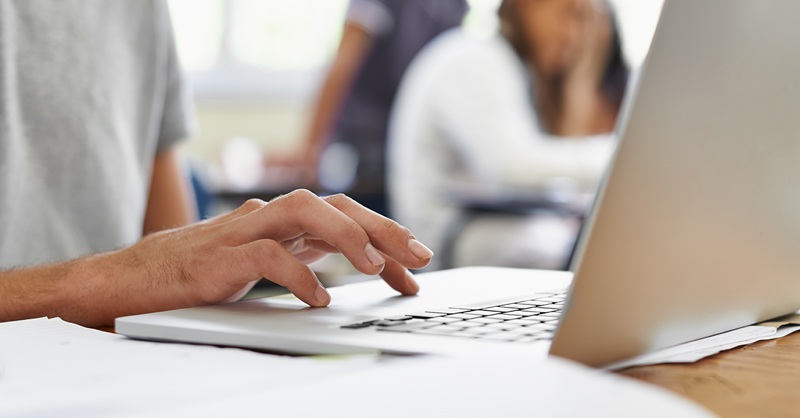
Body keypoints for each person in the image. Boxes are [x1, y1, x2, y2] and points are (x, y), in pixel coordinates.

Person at [0, 1, 433, 328]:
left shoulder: (140, 10)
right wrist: (112, 282)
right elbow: (151, 271)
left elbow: (171, 259)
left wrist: (208, 268)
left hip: (123, 362)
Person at [388, 0, 628, 270]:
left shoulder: (516, 70)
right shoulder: (474, 58)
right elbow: (513, 167)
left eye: (583, 23)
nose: (573, 35)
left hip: (491, 228)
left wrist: (580, 80)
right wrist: (622, 157)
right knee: (609, 257)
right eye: (567, 15)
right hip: (454, 241)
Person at [274, 0, 469, 216]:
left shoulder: (456, 6)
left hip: (412, 150)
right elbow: (344, 62)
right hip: (364, 152)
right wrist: (309, 148)